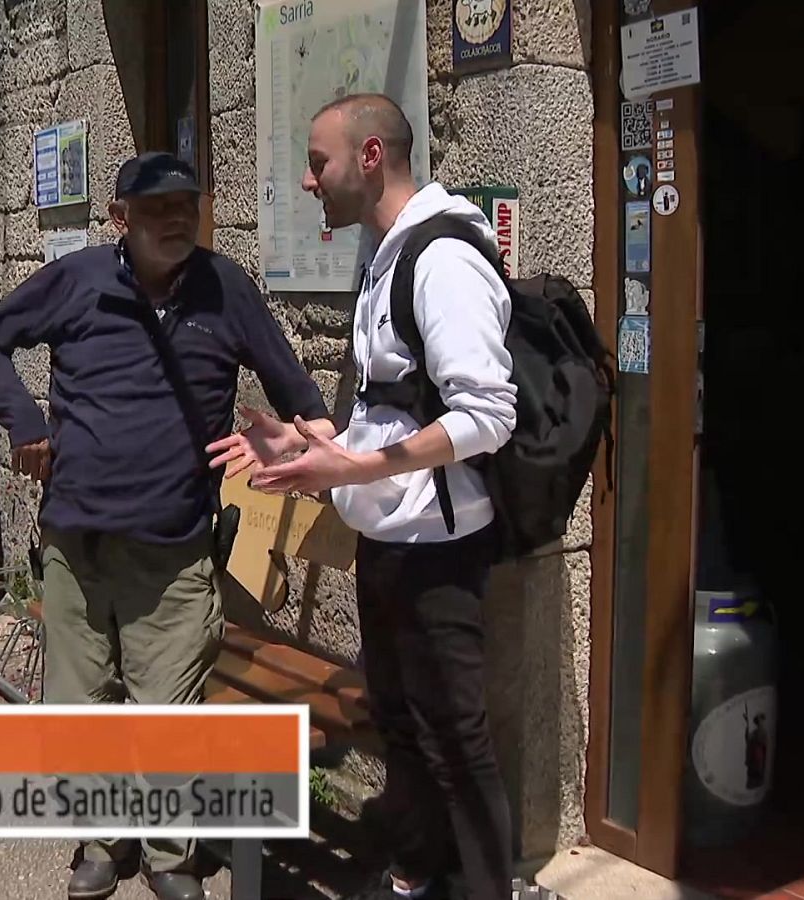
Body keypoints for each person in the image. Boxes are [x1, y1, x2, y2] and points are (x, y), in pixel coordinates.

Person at [0, 152, 334, 900]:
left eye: (186, 206)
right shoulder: (78, 281)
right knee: (81, 706)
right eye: (157, 208)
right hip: (77, 543)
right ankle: (104, 842)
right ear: (119, 218)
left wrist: (310, 446)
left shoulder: (225, 289)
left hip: (173, 549)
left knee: (169, 711)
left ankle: (169, 856)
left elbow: (299, 396)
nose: (176, 219)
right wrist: (24, 420)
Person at [228, 94, 517, 900]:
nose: (307, 180)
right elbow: (395, 409)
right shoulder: (385, 255)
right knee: (402, 722)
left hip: (440, 551)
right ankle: (416, 875)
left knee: (455, 739)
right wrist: (307, 446)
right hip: (390, 541)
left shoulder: (442, 259)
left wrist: (352, 471)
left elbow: (487, 417)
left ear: (370, 156)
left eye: (317, 161)